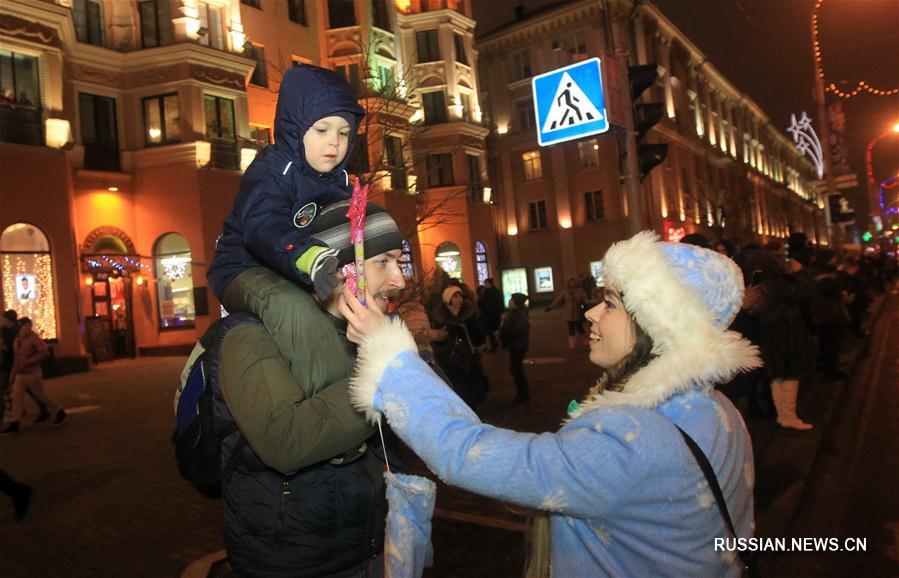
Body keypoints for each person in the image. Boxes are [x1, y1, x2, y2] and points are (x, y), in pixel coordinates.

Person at [345, 231, 759, 577]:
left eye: (611, 303)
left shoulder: (632, 440)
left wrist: (390, 354)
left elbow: (465, 452)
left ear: (658, 324)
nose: (591, 312)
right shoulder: (717, 408)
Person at [216, 200, 406, 577]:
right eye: (383, 261)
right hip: (294, 563)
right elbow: (286, 439)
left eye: (399, 262)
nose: (400, 279)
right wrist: (387, 373)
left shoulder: (367, 330)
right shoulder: (248, 335)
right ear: (339, 270)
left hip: (369, 547)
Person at [207, 63, 365, 325]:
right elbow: (264, 226)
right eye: (322, 130)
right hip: (244, 269)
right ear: (296, 129)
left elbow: (351, 231)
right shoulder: (271, 173)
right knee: (291, 307)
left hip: (299, 270)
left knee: (350, 305)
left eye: (344, 132)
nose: (335, 141)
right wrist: (309, 256)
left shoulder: (340, 182)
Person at [1, 318, 66, 435]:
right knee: (16, 396)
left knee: (40, 395)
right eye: (23, 327)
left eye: (27, 326)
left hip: (32, 372)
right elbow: (16, 358)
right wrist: (13, 374)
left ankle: (59, 410)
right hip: (21, 373)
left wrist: (30, 361)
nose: (25, 329)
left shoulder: (33, 338)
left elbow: (44, 352)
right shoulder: (17, 340)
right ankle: (14, 423)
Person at [429, 285, 488, 409]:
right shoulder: (440, 317)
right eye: (455, 297)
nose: (459, 299)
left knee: (472, 384)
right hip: (450, 357)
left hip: (469, 355)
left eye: (460, 296)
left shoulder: (469, 313)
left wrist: (480, 344)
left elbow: (478, 331)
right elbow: (437, 337)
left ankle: (473, 407)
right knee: (457, 385)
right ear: (448, 299)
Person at [499, 292, 530, 402]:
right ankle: (522, 393)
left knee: (516, 369)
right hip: (516, 344)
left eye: (511, 299)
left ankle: (523, 394)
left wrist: (506, 333)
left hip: (518, 345)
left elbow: (518, 330)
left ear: (516, 302)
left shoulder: (518, 314)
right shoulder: (516, 312)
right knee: (515, 369)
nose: (509, 301)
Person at [545, 278, 587, 350]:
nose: (572, 284)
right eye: (571, 283)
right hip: (569, 313)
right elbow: (558, 300)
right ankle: (572, 344)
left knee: (579, 328)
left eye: (574, 283)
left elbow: (585, 299)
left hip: (578, 312)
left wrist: (585, 305)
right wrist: (550, 307)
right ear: (568, 284)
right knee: (571, 328)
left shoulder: (580, 291)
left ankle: (586, 339)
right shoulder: (565, 291)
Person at [477, 278, 504, 352]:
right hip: (487, 316)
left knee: (496, 331)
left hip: (495, 315)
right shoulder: (486, 293)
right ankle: (494, 346)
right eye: (485, 283)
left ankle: (499, 344)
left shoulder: (496, 292)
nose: (485, 285)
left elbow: (499, 303)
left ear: (490, 283)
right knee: (490, 332)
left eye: (486, 283)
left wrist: (499, 312)